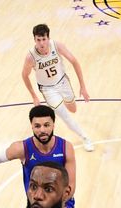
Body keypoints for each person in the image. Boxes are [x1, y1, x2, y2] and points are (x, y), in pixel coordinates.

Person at [0, 105, 78, 208]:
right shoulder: (21, 148)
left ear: (53, 124)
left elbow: (71, 184)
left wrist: (59, 204)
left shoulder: (66, 147)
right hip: (37, 204)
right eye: (37, 126)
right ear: (32, 127)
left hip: (62, 203)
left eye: (46, 125)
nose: (42, 130)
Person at [22, 24, 94, 152]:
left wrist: (83, 87)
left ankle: (64, 103)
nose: (41, 43)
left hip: (63, 82)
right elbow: (24, 76)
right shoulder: (31, 57)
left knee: (73, 109)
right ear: (34, 40)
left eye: (44, 39)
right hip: (48, 89)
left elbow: (74, 61)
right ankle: (85, 138)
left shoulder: (57, 46)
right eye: (38, 40)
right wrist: (34, 96)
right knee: (65, 116)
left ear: (48, 38)